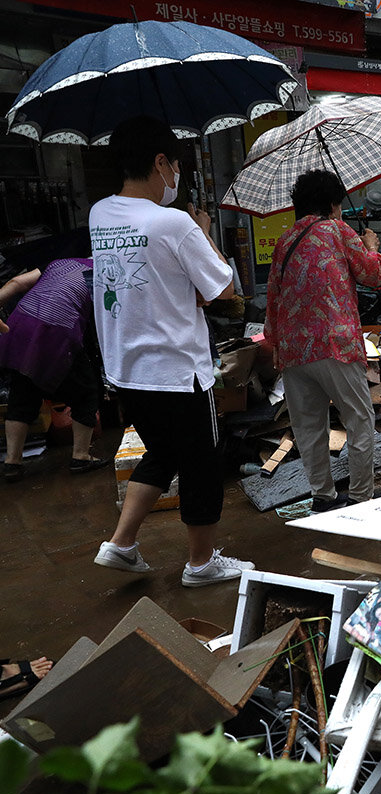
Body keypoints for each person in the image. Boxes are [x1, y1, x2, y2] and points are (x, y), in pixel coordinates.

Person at [89, 115, 253, 588]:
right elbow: (223, 288)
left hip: (126, 369)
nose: (175, 178)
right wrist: (201, 231)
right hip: (178, 371)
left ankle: (120, 544)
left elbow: (157, 281)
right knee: (202, 462)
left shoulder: (100, 214)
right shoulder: (173, 221)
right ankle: (202, 564)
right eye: (174, 166)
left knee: (162, 453)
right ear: (161, 162)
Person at [265, 169, 381, 512]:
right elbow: (373, 274)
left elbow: (272, 296)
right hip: (335, 343)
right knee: (360, 419)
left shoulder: (284, 240)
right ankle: (362, 496)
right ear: (333, 204)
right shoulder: (338, 231)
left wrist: (275, 344)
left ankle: (323, 495)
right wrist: (372, 246)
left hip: (292, 350)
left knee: (308, 427)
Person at [0, 257, 109, 482]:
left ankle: (12, 462)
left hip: (21, 322)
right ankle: (81, 456)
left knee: (23, 391)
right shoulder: (106, 273)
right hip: (57, 327)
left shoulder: (61, 262)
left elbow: (18, 282)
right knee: (86, 392)